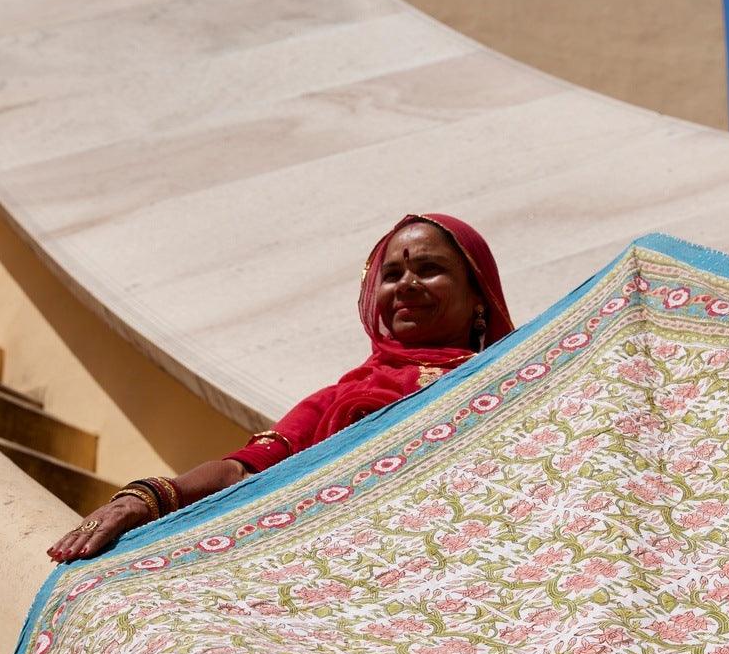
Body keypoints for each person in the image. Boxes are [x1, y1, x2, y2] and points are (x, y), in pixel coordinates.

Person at [47, 213, 513, 563]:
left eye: (428, 269)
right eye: (391, 275)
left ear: (479, 294)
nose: (406, 285)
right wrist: (142, 499)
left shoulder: (516, 378)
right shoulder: (335, 400)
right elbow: (243, 470)